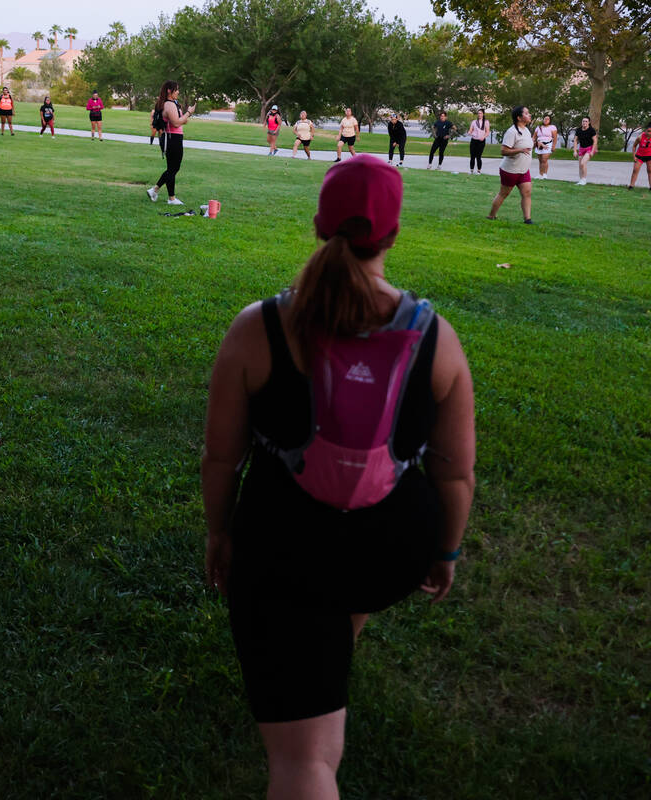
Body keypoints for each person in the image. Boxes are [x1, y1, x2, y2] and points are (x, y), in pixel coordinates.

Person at [202, 156, 475, 800]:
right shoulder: (436, 338)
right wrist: (446, 549)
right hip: (392, 552)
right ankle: (327, 662)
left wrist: (220, 532)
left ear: (318, 225)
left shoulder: (259, 328)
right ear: (394, 234)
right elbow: (455, 472)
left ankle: (310, 709)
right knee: (338, 608)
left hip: (282, 548)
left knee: (305, 766)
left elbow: (222, 459)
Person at [146, 81, 195, 206]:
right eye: (176, 89)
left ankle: (155, 190)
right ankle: (171, 198)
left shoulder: (172, 104)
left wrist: (183, 118)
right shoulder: (169, 105)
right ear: (169, 90)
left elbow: (182, 121)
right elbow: (177, 123)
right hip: (172, 139)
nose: (178, 92)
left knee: (172, 169)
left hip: (173, 138)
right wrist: (188, 113)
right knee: (173, 169)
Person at [488, 105, 535, 224]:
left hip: (523, 170)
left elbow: (527, 145)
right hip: (510, 170)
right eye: (526, 113)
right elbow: (503, 151)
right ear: (519, 117)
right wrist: (519, 150)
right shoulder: (512, 132)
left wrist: (537, 143)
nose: (529, 115)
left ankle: (527, 219)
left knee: (527, 192)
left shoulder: (526, 130)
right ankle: (491, 216)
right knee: (504, 194)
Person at [629, 121, 651, 191]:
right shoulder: (640, 137)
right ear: (645, 130)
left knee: (650, 170)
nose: (649, 133)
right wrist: (634, 156)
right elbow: (634, 146)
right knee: (635, 170)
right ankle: (631, 186)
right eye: (648, 131)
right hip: (640, 155)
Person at [573, 116, 598, 186]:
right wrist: (575, 151)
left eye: (586, 121)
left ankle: (584, 180)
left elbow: (595, 141)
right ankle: (581, 180)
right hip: (581, 148)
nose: (584, 122)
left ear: (589, 122)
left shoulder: (591, 130)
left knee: (583, 163)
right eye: (583, 121)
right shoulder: (578, 130)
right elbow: (575, 140)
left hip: (589, 148)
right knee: (580, 165)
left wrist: (592, 151)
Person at [533, 115, 557, 179]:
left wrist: (553, 146)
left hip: (548, 144)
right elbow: (534, 137)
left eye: (547, 119)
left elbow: (555, 137)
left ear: (550, 120)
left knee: (544, 160)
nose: (546, 120)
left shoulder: (552, 127)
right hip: (539, 144)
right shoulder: (538, 127)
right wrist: (532, 143)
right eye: (545, 119)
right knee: (540, 160)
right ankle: (540, 174)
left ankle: (545, 174)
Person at [468, 110, 490, 175]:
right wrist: (469, 132)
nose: (479, 114)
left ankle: (478, 171)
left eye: (480, 113)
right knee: (472, 156)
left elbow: (487, 132)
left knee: (478, 156)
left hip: (481, 141)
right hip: (474, 140)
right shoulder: (474, 122)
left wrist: (483, 137)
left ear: (483, 114)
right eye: (478, 113)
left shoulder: (486, 122)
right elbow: (470, 130)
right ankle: (471, 170)